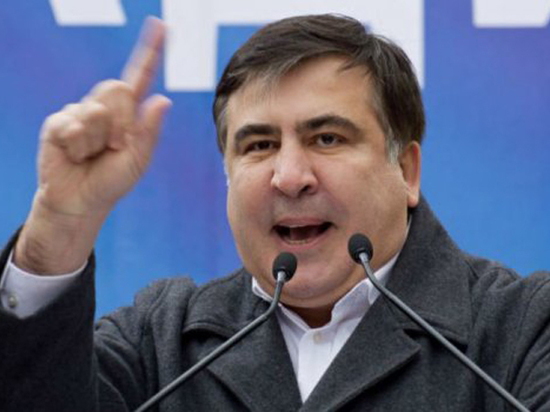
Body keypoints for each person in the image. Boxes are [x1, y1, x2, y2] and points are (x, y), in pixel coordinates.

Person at [1, 13, 549, 412]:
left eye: (327, 138)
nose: (289, 176)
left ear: (405, 170)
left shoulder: (522, 330)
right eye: (259, 145)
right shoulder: (159, 344)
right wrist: (60, 228)